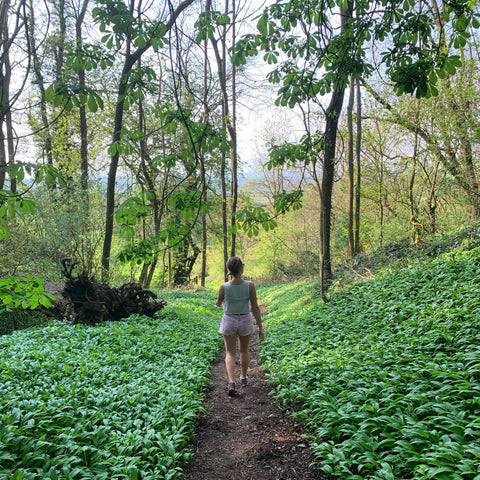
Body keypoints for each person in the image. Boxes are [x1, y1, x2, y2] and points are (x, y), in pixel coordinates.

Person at [215, 256, 264, 396]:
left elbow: (219, 302)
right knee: (244, 350)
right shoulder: (250, 285)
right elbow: (255, 307)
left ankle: (231, 382)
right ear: (241, 268)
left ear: (229, 269)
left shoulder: (224, 286)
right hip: (245, 319)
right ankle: (243, 378)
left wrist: (219, 302)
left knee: (230, 352)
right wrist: (260, 327)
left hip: (229, 319)